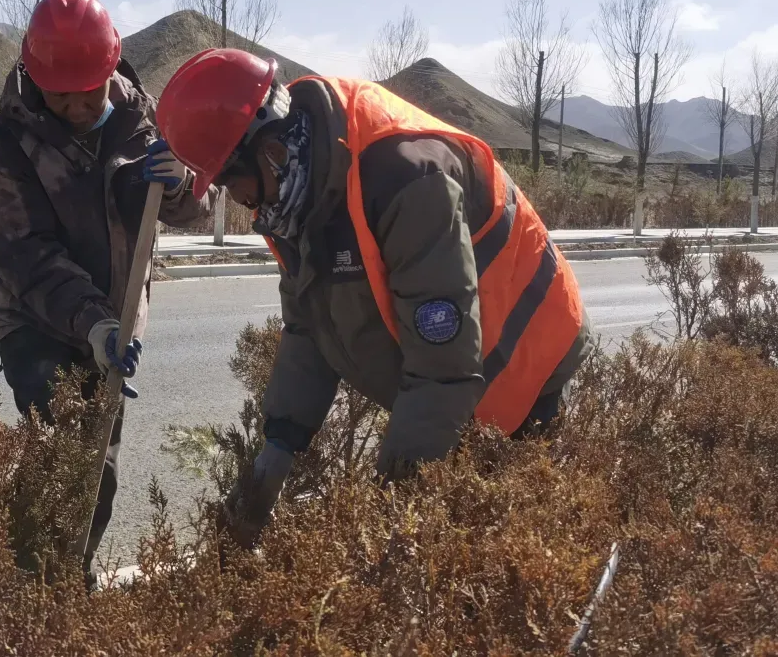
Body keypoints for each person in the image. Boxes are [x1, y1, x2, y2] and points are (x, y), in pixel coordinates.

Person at [155, 47, 595, 548]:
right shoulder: (295, 191)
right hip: (456, 378)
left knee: (496, 559)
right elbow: (308, 326)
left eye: (236, 185)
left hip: (524, 362)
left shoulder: (408, 178)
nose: (245, 204)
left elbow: (442, 365)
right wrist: (277, 449)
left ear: (271, 150)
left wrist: (388, 521)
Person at [0, 0, 215, 585]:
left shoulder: (144, 121)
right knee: (61, 449)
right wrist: (91, 321)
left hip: (116, 319)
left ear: (111, 68)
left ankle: (67, 581)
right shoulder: (8, 144)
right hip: (33, 319)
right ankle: (28, 581)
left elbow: (195, 208)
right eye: (61, 95)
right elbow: (23, 254)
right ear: (34, 77)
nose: (78, 107)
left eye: (89, 92)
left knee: (98, 463)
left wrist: (183, 185)